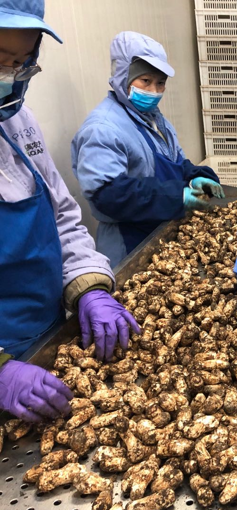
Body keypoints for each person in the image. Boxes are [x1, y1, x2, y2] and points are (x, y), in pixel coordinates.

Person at [0, 0, 140, 423]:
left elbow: (61, 215)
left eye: (20, 63)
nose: (8, 74)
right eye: (0, 57)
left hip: (46, 336)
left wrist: (87, 286)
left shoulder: (17, 122)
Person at [72, 32, 224, 268]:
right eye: (145, 81)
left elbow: (174, 162)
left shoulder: (153, 118)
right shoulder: (102, 129)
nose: (154, 90)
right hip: (130, 242)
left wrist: (196, 176)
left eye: (160, 83)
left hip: (162, 230)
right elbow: (109, 195)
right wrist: (177, 196)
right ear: (123, 76)